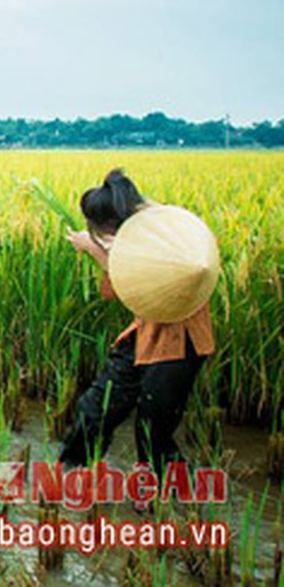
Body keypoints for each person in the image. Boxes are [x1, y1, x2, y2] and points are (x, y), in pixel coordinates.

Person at [58, 169, 216, 476]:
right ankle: (70, 472)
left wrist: (96, 250)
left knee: (153, 428)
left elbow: (128, 288)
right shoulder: (142, 230)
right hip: (143, 333)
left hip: (179, 342)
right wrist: (108, 249)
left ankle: (171, 498)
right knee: (95, 408)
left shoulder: (168, 237)